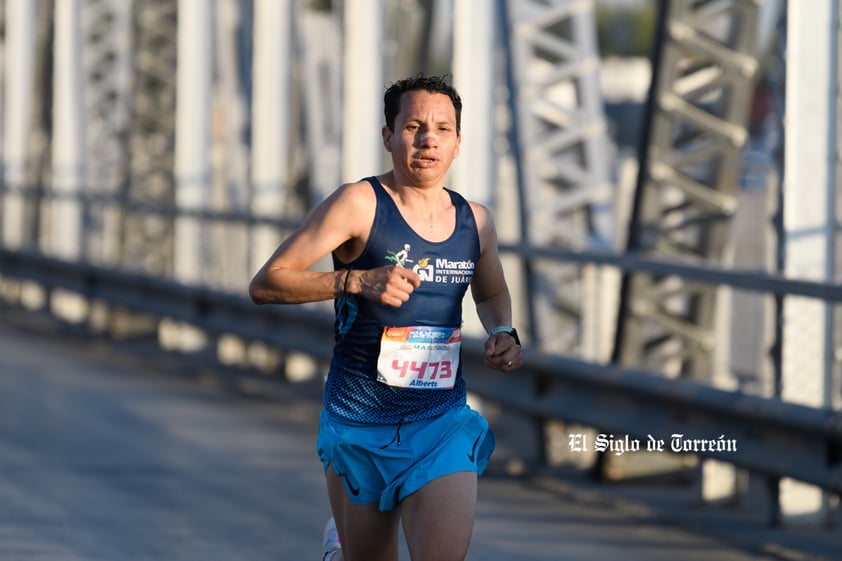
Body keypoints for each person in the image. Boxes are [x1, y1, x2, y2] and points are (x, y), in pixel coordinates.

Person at [249, 74, 522, 561]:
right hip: (359, 422)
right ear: (388, 136)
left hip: (439, 422)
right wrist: (353, 281)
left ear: (458, 143)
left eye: (442, 128)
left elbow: (493, 291)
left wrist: (502, 329)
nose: (428, 139)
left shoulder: (475, 221)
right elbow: (268, 282)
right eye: (414, 126)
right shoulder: (359, 204)